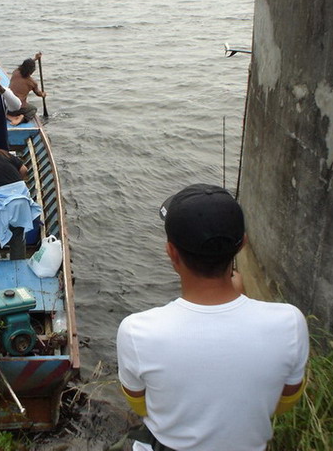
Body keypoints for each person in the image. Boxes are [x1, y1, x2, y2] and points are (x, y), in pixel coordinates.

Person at [117, 184, 309, 451]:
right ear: (242, 244)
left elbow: (140, 404)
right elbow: (285, 402)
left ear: (171, 252)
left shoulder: (137, 330)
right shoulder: (291, 323)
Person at [7, 52, 47, 125]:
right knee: (33, 109)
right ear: (32, 70)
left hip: (6, 106)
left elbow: (25, 65)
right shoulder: (32, 83)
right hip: (18, 108)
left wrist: (35, 58)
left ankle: (8, 115)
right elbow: (38, 93)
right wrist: (43, 94)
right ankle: (22, 118)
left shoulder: (16, 72)